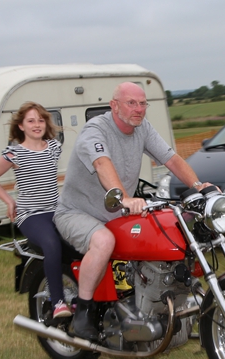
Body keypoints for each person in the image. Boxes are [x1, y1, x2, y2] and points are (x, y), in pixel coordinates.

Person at [54, 81, 211, 341]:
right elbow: (102, 163)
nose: (138, 109)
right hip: (78, 212)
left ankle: (152, 301)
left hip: (117, 211)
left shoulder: (142, 129)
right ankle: (83, 310)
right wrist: (125, 197)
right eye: (131, 103)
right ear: (114, 105)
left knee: (164, 232)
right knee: (103, 241)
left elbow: (170, 158)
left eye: (142, 103)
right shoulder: (95, 130)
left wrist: (198, 186)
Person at [0, 102, 70, 319]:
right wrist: (9, 201)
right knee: (51, 244)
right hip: (31, 214)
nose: (37, 124)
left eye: (41, 120)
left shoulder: (54, 147)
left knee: (83, 240)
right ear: (21, 126)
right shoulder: (14, 153)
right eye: (31, 121)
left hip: (55, 210)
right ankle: (57, 302)